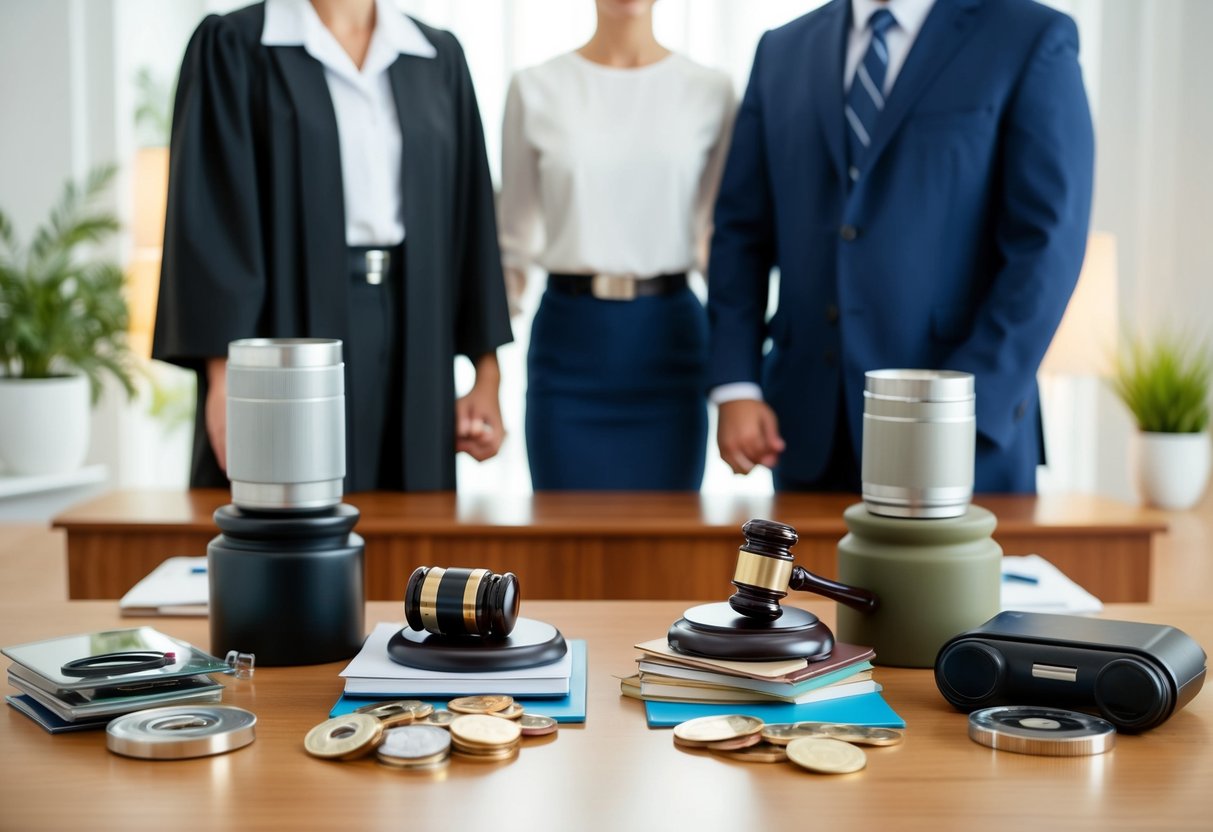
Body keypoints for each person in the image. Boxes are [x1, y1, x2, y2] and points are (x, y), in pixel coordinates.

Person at [708, 0, 1094, 493]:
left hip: (964, 440)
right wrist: (737, 384)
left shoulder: (1030, 36)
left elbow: (1048, 244)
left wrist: (957, 408)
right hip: (809, 434)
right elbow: (741, 232)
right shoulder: (781, 49)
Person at [153, 0, 512, 493]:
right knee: (297, 518)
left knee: (413, 517)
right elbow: (214, 218)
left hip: (417, 325)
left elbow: (470, 214)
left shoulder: (436, 55)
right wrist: (225, 381)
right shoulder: (236, 45)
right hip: (287, 324)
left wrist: (486, 373)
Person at [499, 0, 736, 490]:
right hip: (569, 347)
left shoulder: (711, 91)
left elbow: (722, 242)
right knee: (566, 549)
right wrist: (485, 373)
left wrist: (741, 379)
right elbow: (512, 245)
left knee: (667, 551)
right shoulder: (536, 86)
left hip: (669, 345)